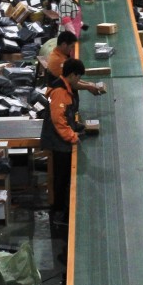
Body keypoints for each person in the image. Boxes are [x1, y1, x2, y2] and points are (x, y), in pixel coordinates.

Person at [41, 58, 86, 225]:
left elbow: (67, 116)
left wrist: (76, 126)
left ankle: (61, 210)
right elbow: (58, 120)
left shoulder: (65, 86)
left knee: (64, 176)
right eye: (78, 77)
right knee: (62, 177)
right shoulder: (60, 92)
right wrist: (72, 136)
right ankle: (59, 214)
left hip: (61, 137)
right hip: (57, 140)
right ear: (72, 75)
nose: (78, 81)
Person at [45, 27, 106, 95]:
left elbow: (73, 78)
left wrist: (89, 84)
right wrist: (88, 86)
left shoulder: (60, 54)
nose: (72, 49)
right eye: (72, 46)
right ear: (64, 45)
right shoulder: (58, 61)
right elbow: (71, 82)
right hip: (59, 94)